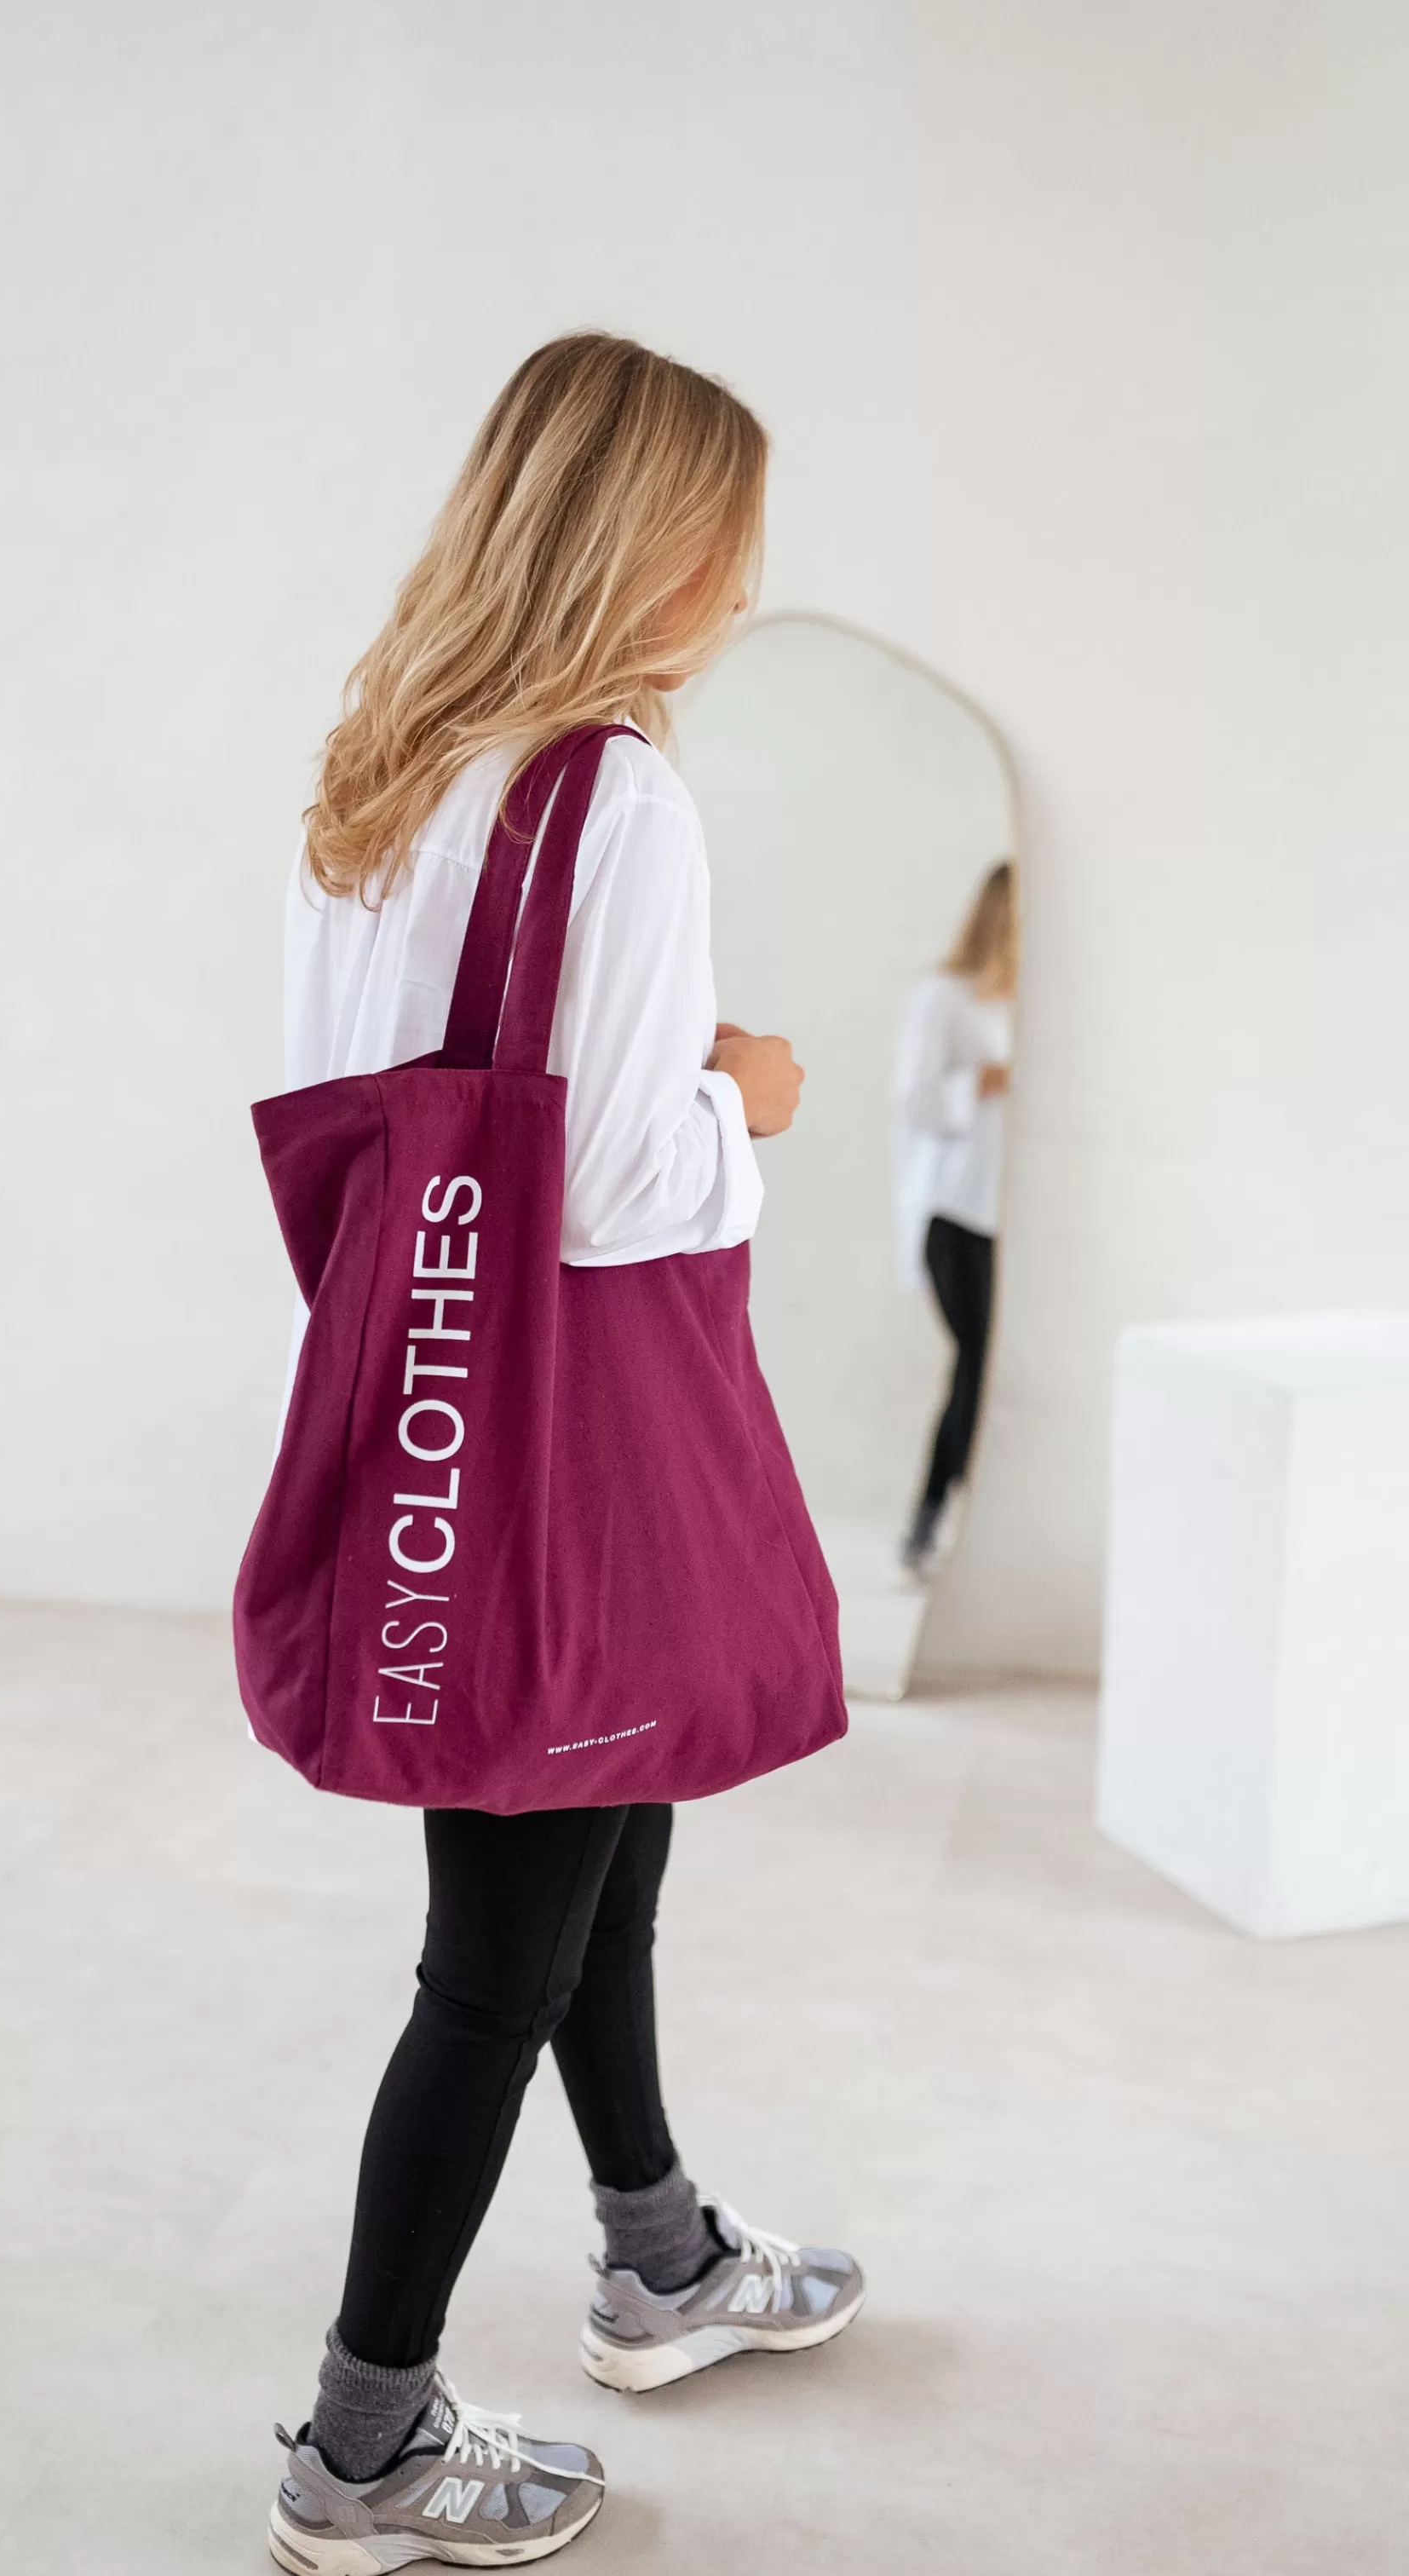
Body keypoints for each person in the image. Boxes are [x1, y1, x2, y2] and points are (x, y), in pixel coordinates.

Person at [266, 335, 865, 2576]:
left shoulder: (383, 761)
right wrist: (746, 1099)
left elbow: (380, 1115)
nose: (744, 583)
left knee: (604, 1826)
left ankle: (660, 2247)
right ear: (647, 539)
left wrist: (643, 1067)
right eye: (730, 537)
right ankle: (363, 2439)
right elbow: (610, 1185)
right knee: (496, 1959)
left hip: (427, 1417)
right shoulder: (614, 794)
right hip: (566, 1448)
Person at [892, 861, 1019, 1576]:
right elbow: (912, 1099)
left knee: (994, 1369)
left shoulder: (1035, 1004)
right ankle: (935, 1519)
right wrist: (983, 1082)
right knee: (978, 1363)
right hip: (957, 1213)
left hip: (1015, 1221)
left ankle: (960, 1522)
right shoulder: (943, 997)